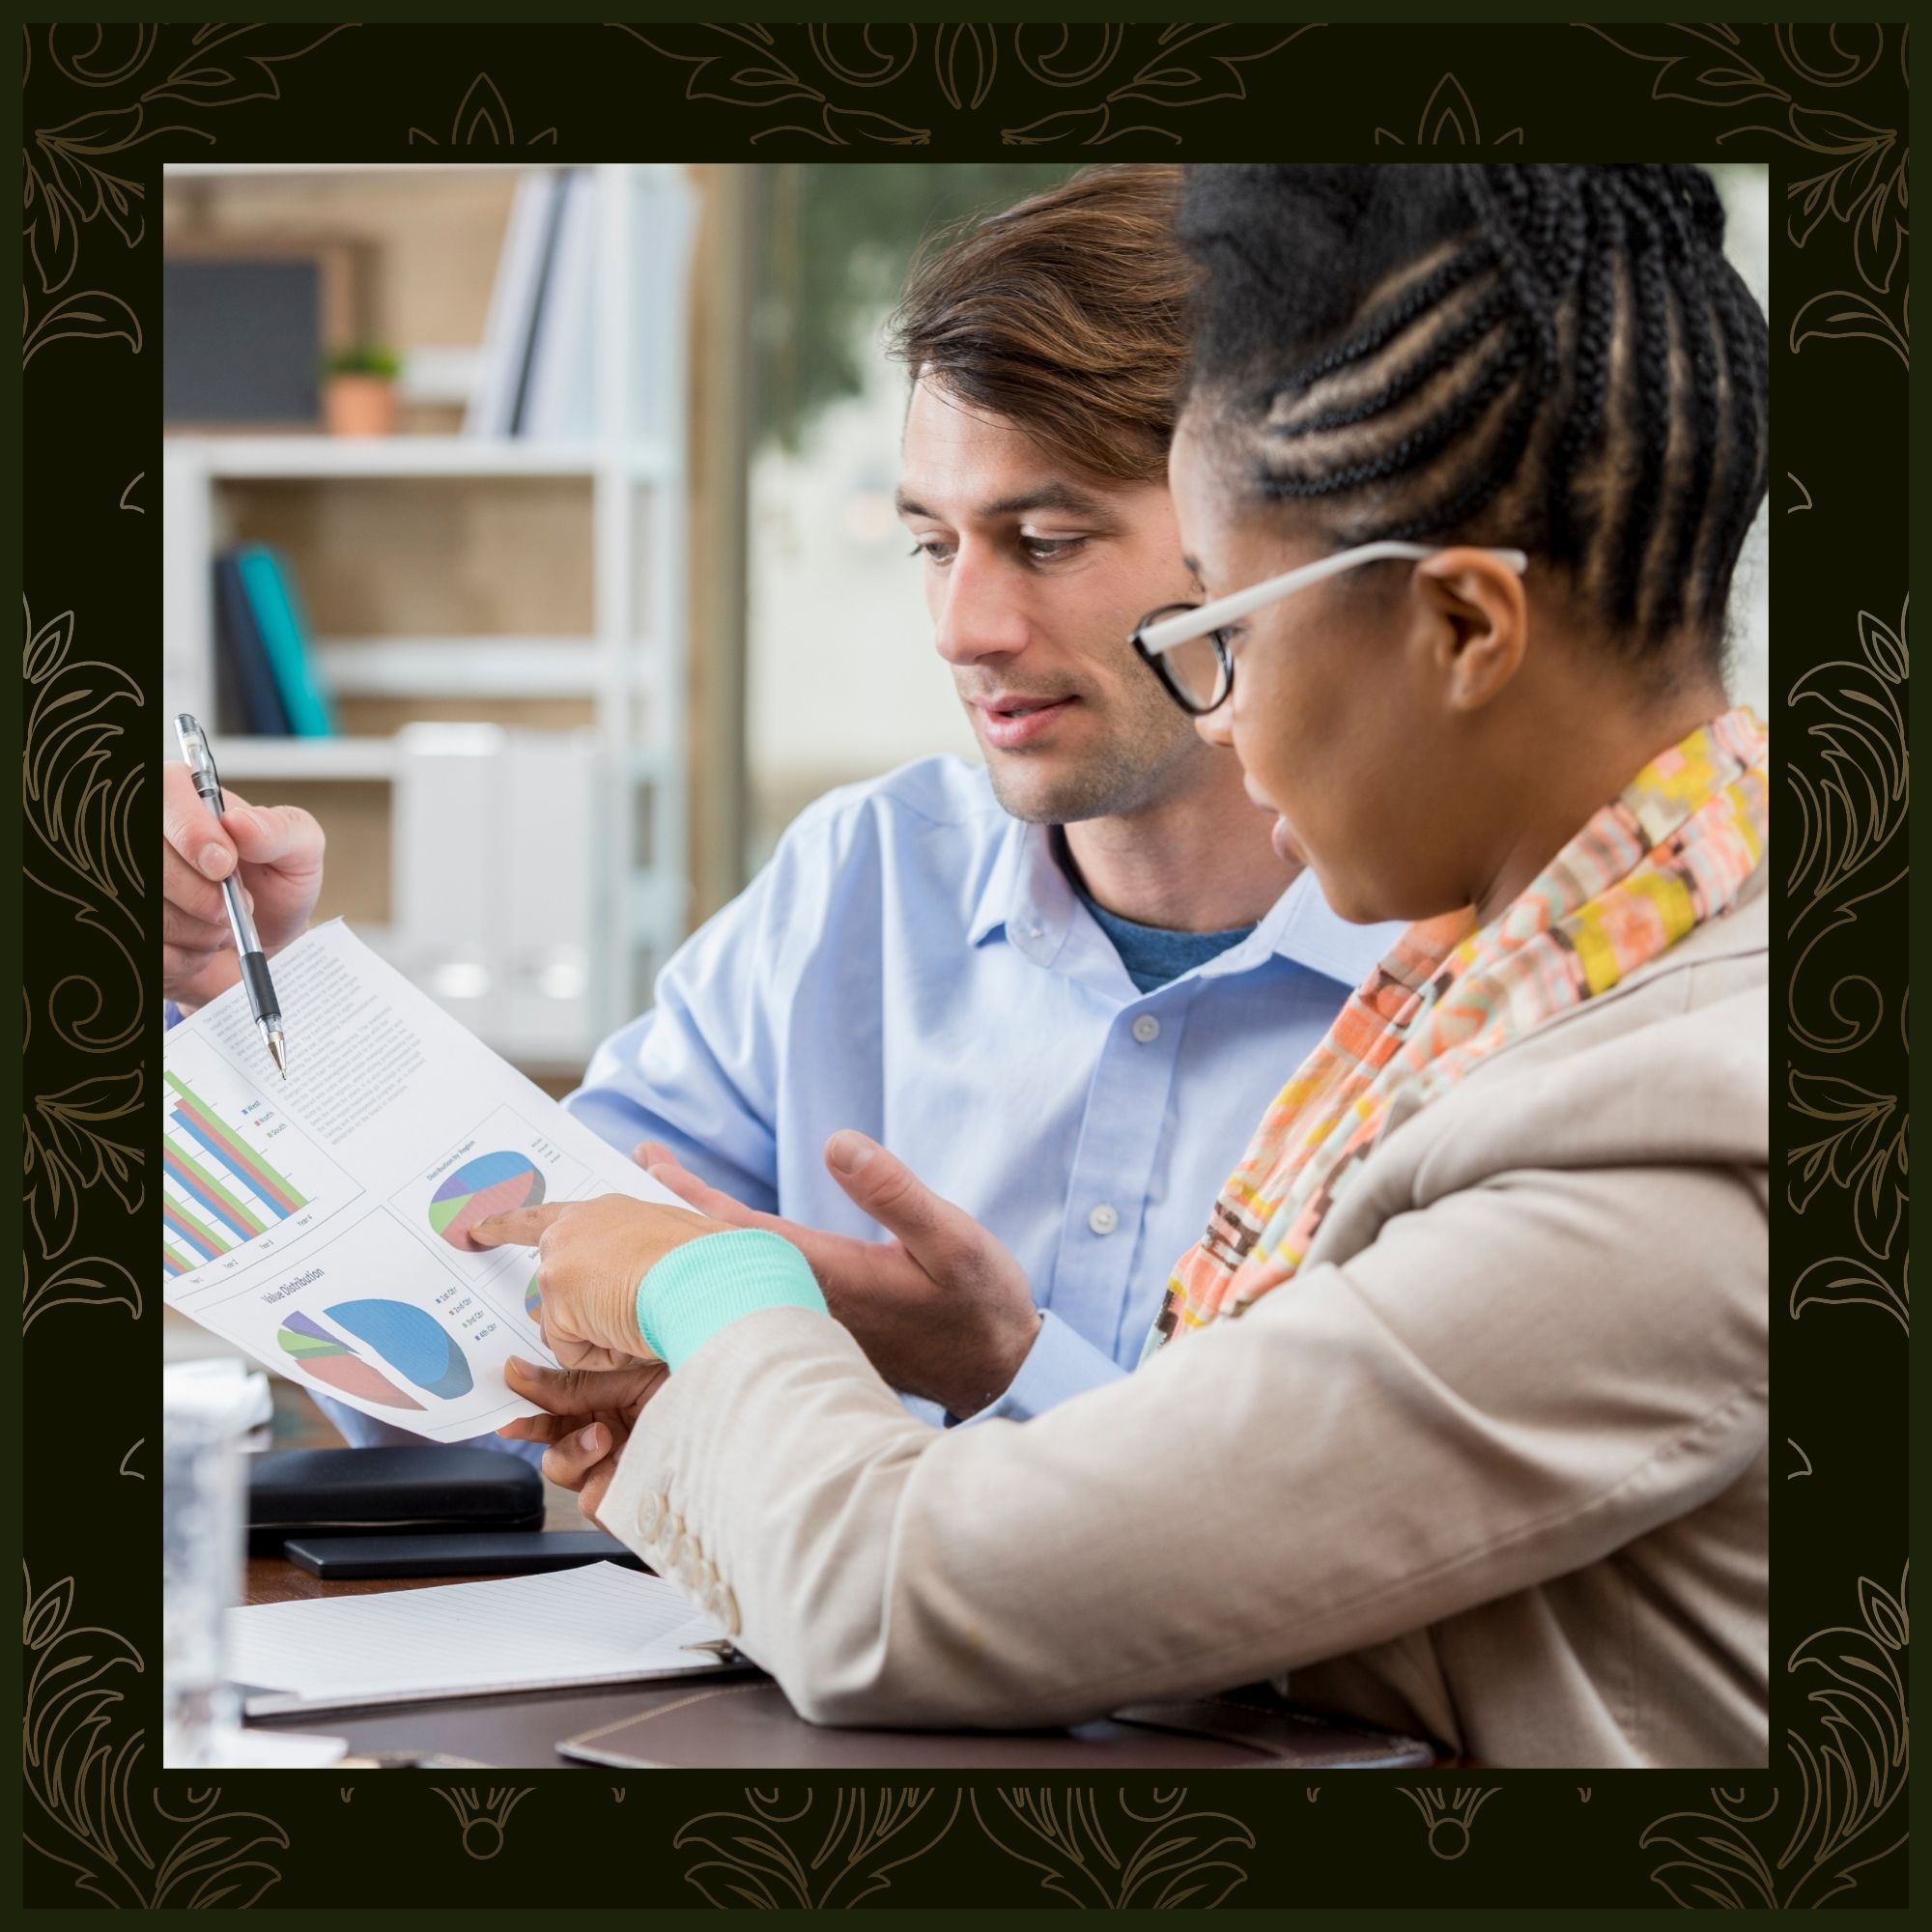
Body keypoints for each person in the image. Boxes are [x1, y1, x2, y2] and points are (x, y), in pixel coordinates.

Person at [485, 161, 1772, 1769]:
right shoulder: (1510, 984)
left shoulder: (1681, 1125)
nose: (1217, 709)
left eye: (1221, 625)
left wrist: (704, 1282)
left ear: (1461, 632)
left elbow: (897, 1594)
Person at [159, 166, 1398, 1447]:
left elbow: (1361, 1541)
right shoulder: (862, 878)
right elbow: (499, 1329)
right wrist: (238, 1003)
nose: (963, 629)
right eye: (933, 543)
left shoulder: (1479, 982)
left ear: (1266, 538)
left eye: (1045, 541)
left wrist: (1000, 1367)